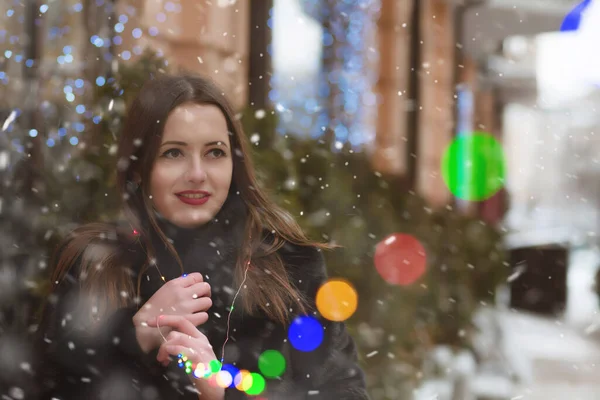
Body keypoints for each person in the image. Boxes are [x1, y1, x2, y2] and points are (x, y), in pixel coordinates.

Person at [35, 74, 370, 400]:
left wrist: (223, 393)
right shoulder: (96, 261)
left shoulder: (292, 267)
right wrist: (134, 336)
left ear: (234, 165)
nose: (197, 174)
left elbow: (342, 392)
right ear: (138, 167)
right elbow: (46, 386)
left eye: (214, 153)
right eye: (173, 153)